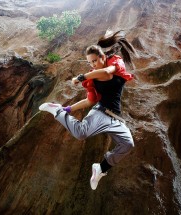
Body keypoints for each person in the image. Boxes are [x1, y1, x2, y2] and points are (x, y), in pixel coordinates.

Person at [39, 30, 137, 190]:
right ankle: (57, 111)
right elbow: (89, 101)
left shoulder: (115, 63)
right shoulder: (92, 79)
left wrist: (82, 77)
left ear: (103, 57)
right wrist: (68, 109)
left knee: (127, 144)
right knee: (80, 133)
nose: (92, 65)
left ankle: (100, 168)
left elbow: (106, 72)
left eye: (94, 61)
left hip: (115, 118)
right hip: (101, 112)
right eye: (89, 63)